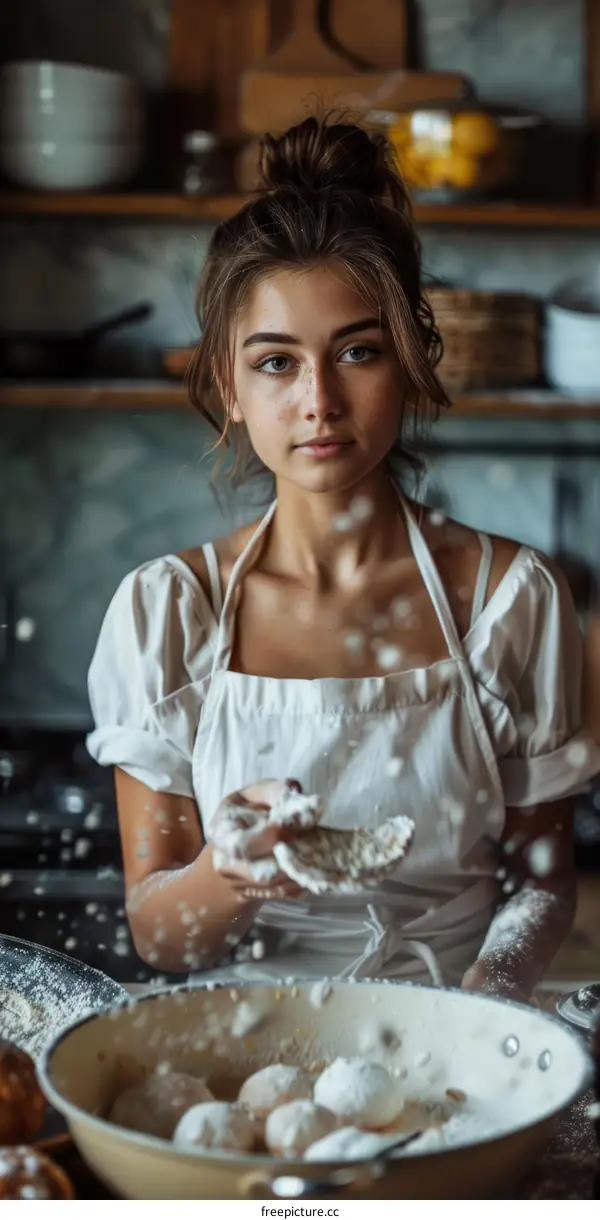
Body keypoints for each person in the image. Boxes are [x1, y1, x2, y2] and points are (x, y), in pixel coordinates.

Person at [87, 116, 600, 999]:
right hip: (241, 1057)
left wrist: (491, 993)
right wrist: (231, 870)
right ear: (229, 389)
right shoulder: (169, 613)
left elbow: (540, 879)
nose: (318, 401)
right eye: (277, 363)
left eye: (357, 352)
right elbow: (161, 937)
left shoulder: (511, 599)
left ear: (409, 361)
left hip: (458, 1040)